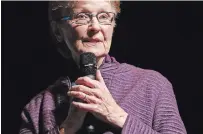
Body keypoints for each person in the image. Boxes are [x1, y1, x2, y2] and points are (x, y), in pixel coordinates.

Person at [19, 1, 187, 134]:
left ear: (113, 26)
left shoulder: (152, 85)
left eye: (105, 17)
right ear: (58, 31)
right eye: (82, 16)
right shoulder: (37, 108)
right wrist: (67, 128)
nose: (95, 27)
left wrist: (117, 116)